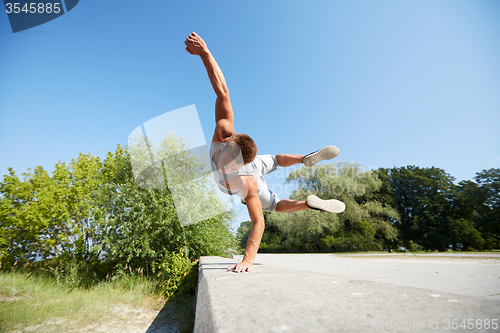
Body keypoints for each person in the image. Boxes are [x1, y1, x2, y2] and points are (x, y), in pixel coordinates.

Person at [185, 32, 345, 273]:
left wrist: (247, 260)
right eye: (228, 162)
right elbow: (222, 91)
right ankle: (306, 178)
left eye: (232, 166)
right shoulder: (223, 131)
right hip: (256, 163)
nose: (226, 167)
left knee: (274, 205)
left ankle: (307, 181)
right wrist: (205, 53)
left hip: (249, 178)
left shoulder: (246, 182)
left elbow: (258, 222)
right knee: (276, 163)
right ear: (226, 142)